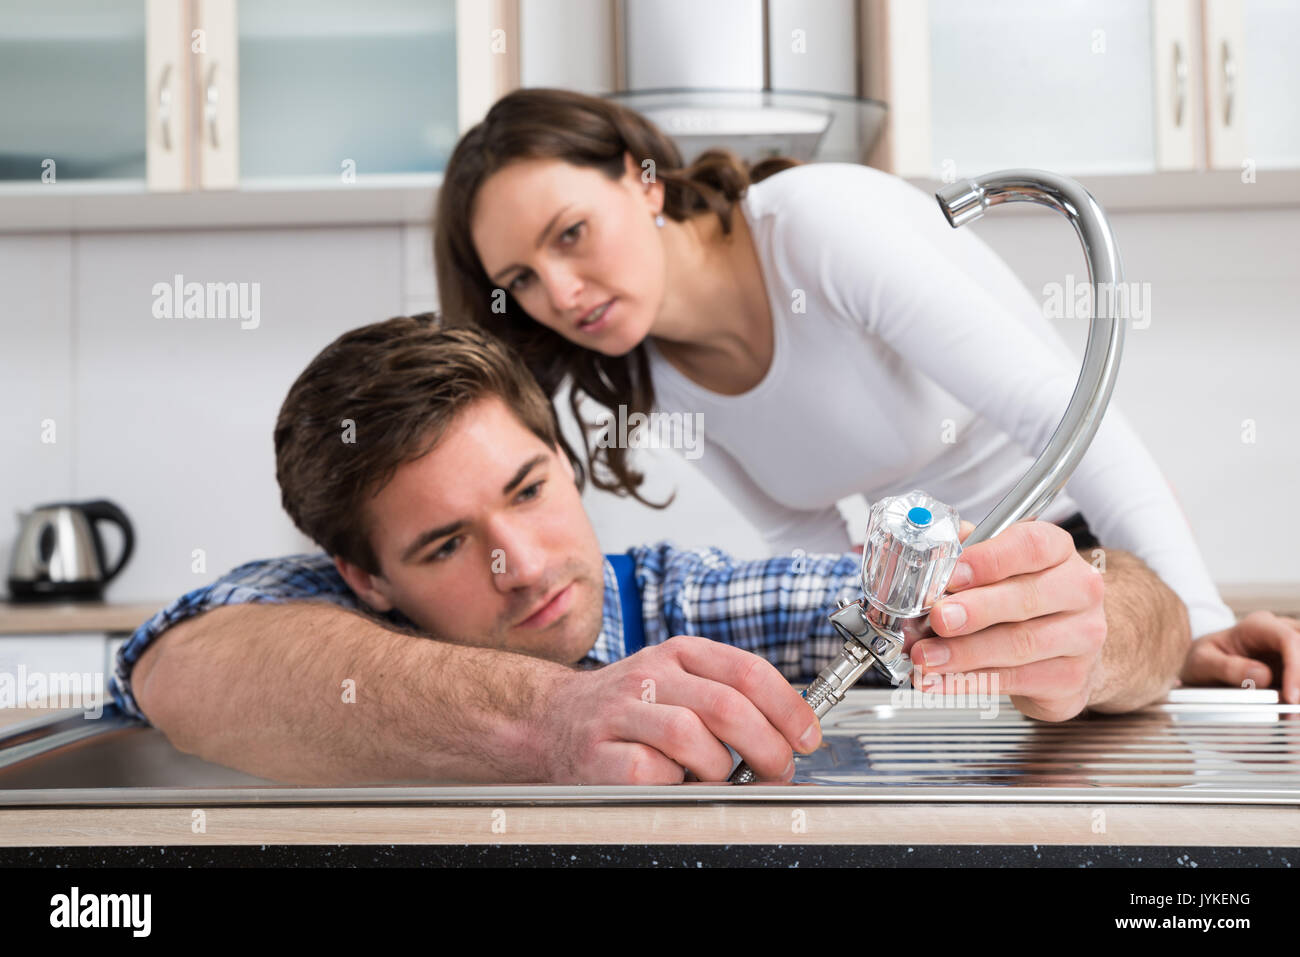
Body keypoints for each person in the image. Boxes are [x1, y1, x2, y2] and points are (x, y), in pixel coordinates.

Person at [433, 87, 1299, 699]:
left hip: (1099, 551)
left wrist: (1197, 624)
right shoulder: (645, 375)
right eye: (524, 278)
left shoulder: (815, 228)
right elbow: (803, 541)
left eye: (571, 234)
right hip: (956, 602)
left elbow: (1065, 418)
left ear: (642, 178)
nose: (562, 291)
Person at [116, 317, 1205, 787]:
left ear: (567, 465)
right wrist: (554, 720)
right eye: (447, 544)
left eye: (529, 492)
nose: (525, 564)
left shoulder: (688, 603)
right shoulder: (317, 619)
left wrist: (1102, 626)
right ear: (363, 577)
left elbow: (1131, 617)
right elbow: (181, 662)